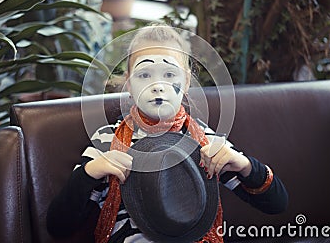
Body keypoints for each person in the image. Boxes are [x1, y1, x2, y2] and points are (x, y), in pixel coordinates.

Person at [46, 24, 288, 243]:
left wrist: (245, 166)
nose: (157, 86)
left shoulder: (203, 140)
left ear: (185, 84)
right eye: (144, 75)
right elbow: (59, 226)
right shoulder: (108, 139)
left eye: (169, 75)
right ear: (129, 85)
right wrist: (90, 173)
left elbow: (278, 204)